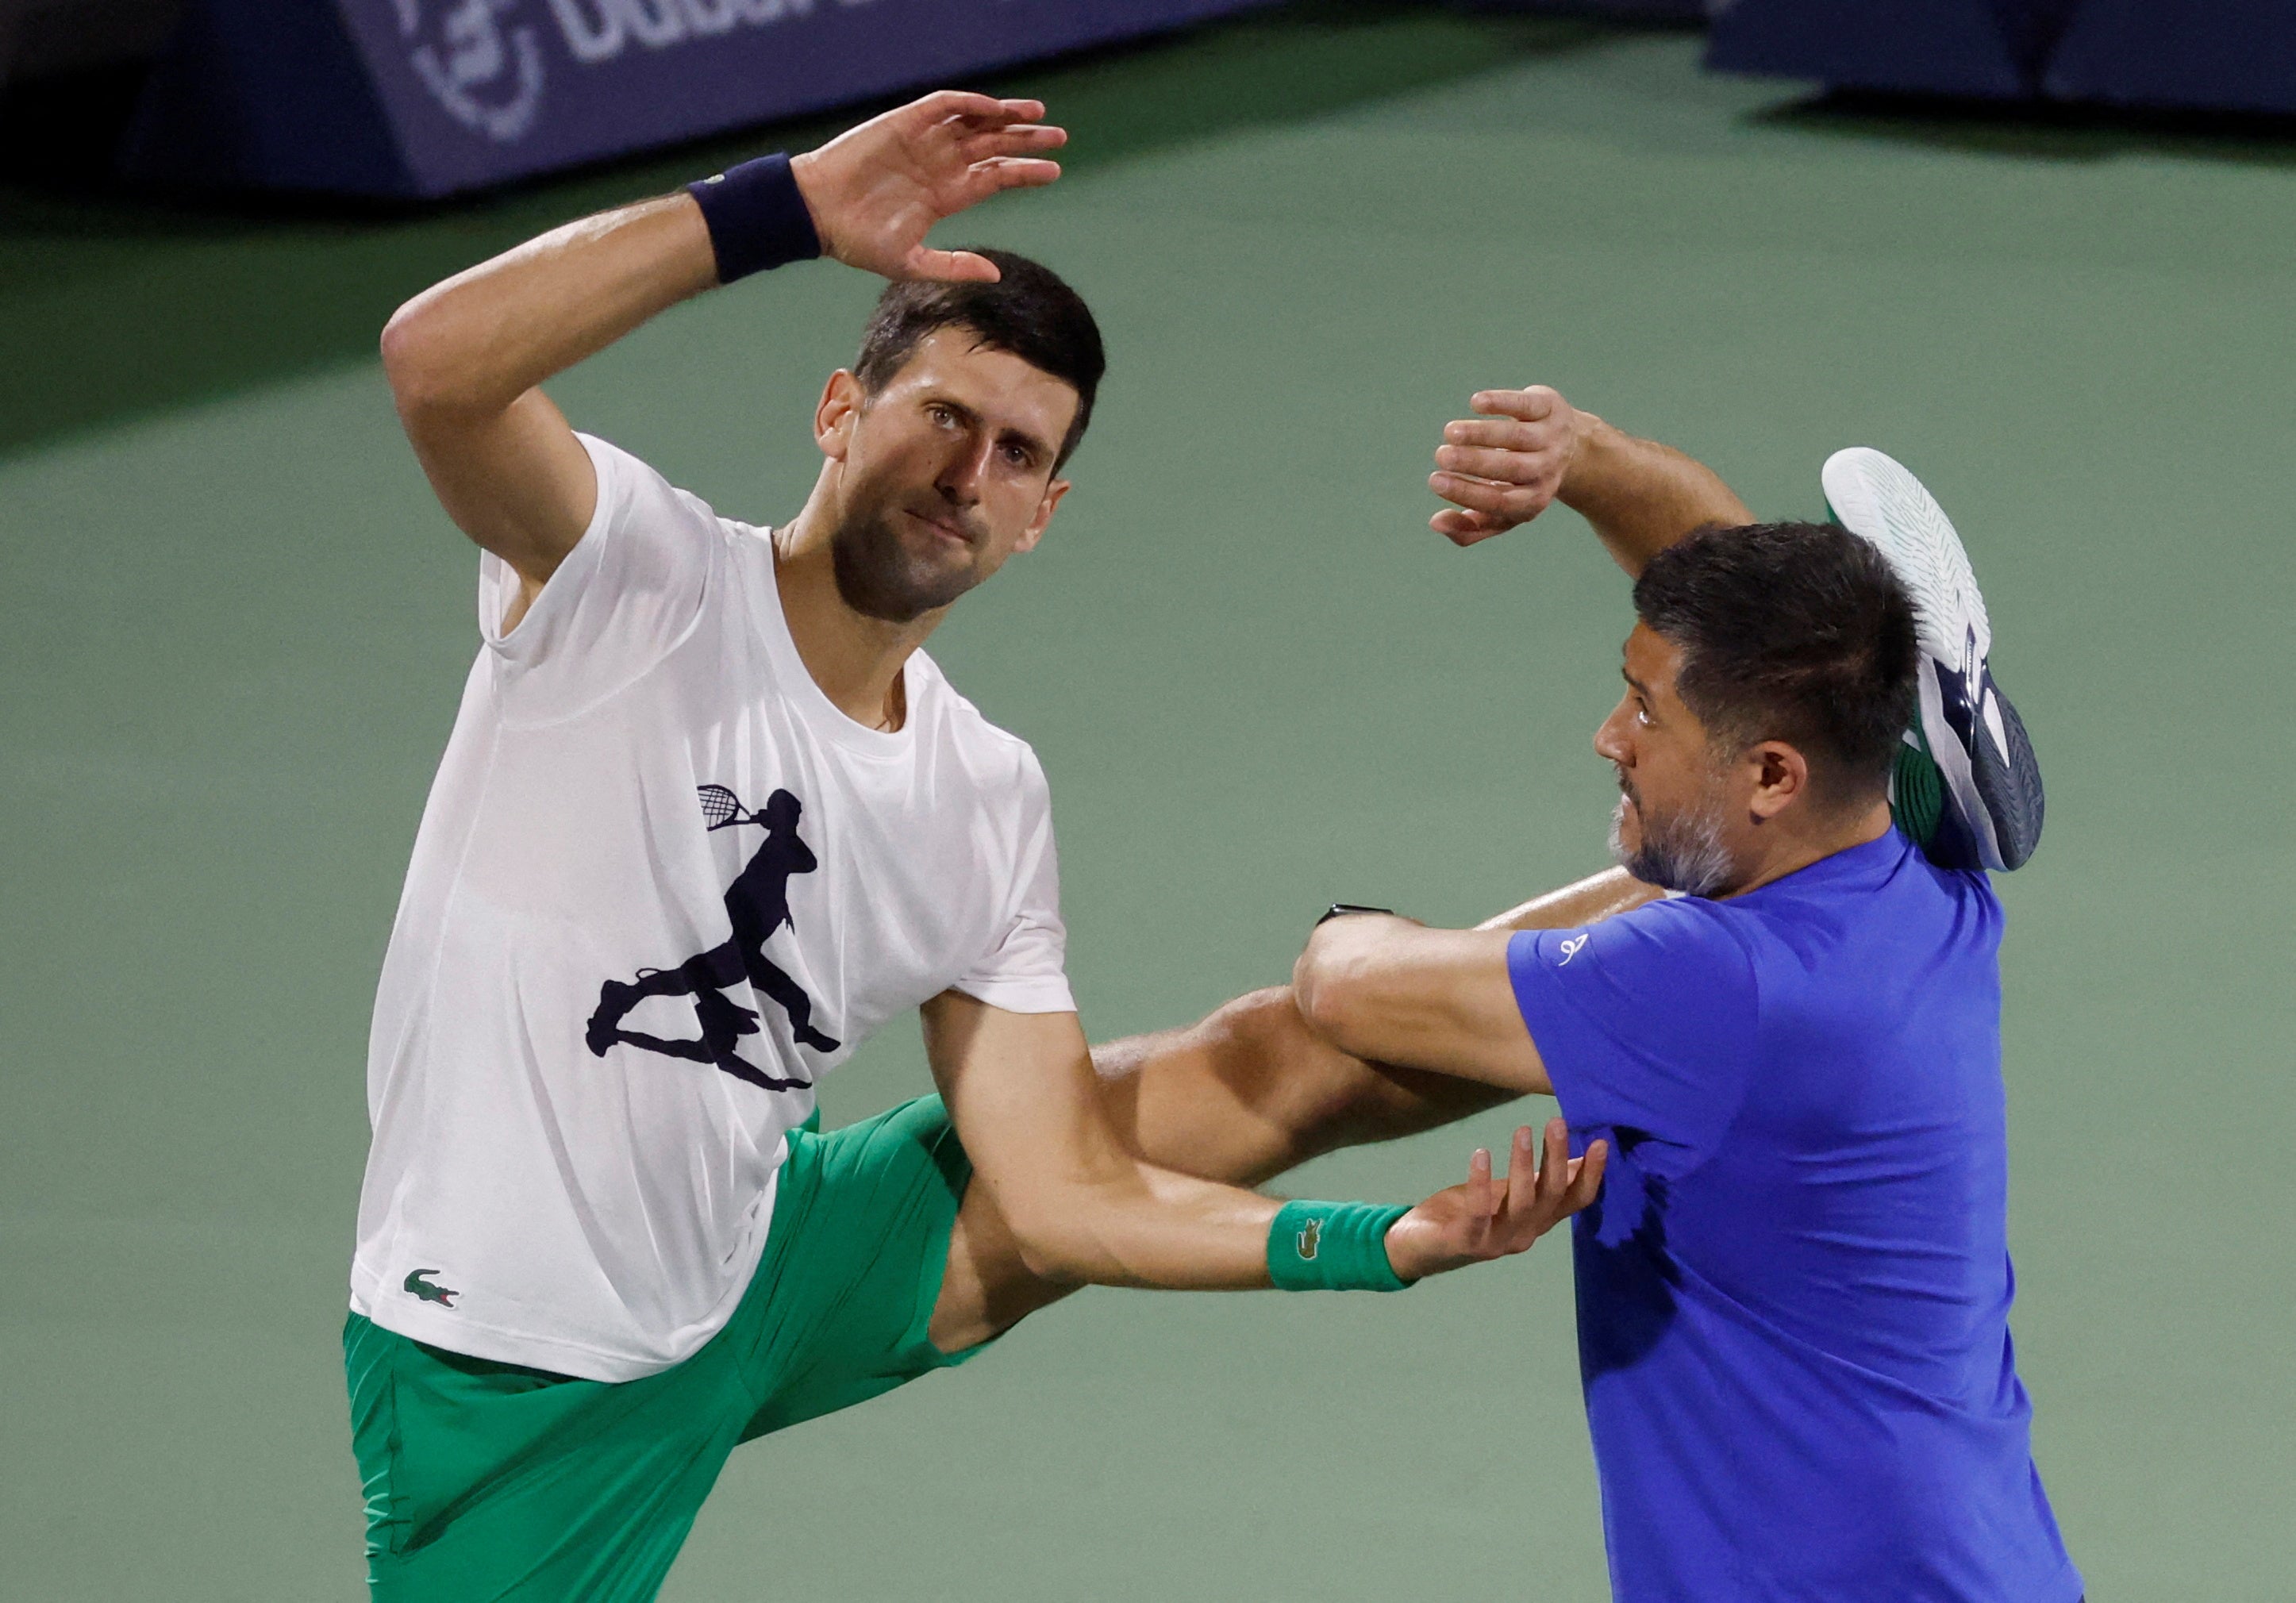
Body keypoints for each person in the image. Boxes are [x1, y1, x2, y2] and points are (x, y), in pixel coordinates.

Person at [346, 92, 1605, 1601]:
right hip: (513, 1366)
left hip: (767, 1258)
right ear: (837, 411)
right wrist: (783, 208)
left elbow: (1063, 1192)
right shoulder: (627, 572)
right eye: (943, 415)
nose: (968, 474)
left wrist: (1380, 1241)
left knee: (1274, 1063)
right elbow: (436, 369)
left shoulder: (981, 790)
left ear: (1042, 515)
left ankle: (1676, 910)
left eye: (1017, 453)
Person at [1254, 384, 2079, 1600]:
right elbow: (1740, 599)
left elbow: (1348, 986)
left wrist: (1350, 923)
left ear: (1772, 773)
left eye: (1643, 709)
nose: (1609, 736)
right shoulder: (1916, 878)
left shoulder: (1709, 979)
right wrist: (1584, 459)